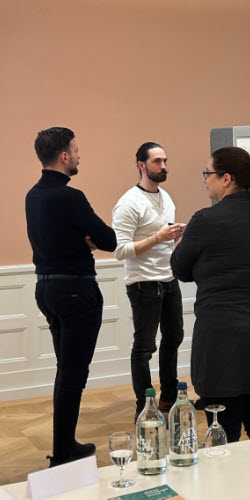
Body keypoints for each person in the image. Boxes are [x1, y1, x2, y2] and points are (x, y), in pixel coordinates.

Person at [170, 146, 250, 442]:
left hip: (225, 340)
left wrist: (185, 251)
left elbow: (180, 269)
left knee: (223, 431)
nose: (205, 180)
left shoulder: (206, 220)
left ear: (226, 178)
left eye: (208, 173)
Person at [26, 127, 117, 467]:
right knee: (73, 375)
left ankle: (64, 446)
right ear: (64, 156)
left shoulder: (33, 195)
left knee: (66, 370)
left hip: (46, 289)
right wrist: (87, 240)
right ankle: (63, 454)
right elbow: (108, 239)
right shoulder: (70, 197)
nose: (79, 156)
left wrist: (82, 238)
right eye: (76, 151)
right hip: (76, 291)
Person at [112, 142, 185, 422]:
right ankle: (144, 407)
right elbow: (121, 251)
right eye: (157, 161)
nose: (163, 166)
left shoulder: (167, 198)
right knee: (144, 348)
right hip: (143, 283)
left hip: (169, 279)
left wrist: (175, 235)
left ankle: (169, 397)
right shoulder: (129, 202)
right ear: (141, 165)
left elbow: (164, 242)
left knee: (174, 338)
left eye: (165, 160)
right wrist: (158, 238)